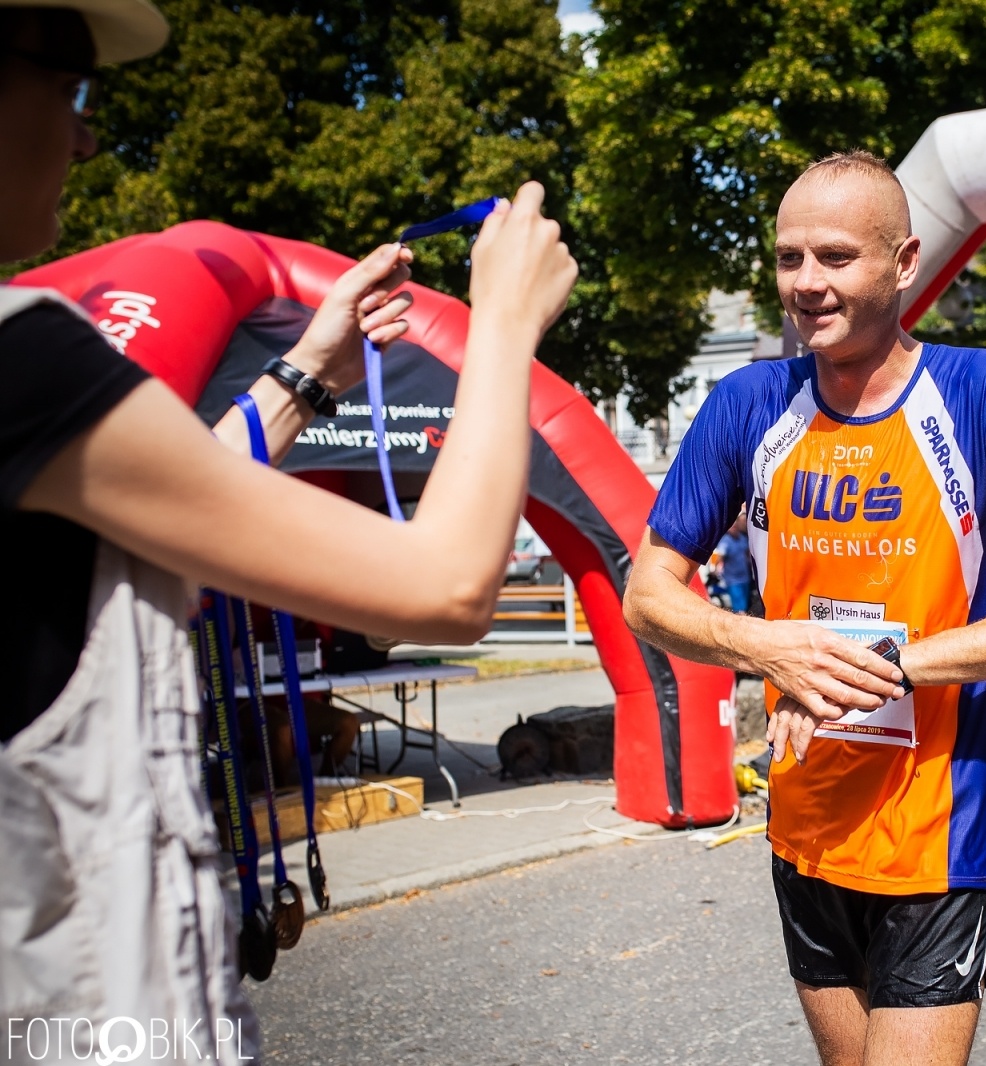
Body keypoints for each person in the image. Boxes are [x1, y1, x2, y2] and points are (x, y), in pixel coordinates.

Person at [0, 3, 578, 1056]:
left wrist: (310, 368)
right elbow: (446, 584)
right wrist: (503, 324)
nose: (85, 136)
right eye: (72, 85)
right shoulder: (25, 357)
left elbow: (169, 497)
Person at [622, 150, 986, 1066]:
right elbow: (647, 593)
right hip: (805, 824)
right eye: (789, 258)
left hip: (937, 833)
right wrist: (767, 647)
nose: (806, 282)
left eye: (836, 257)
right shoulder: (748, 405)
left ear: (904, 264)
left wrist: (892, 667)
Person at [711, 512, 753, 613]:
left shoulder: (742, 538)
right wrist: (714, 569)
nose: (733, 528)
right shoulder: (726, 541)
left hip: (745, 577)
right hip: (733, 579)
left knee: (745, 605)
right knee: (739, 609)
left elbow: (747, 553)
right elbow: (720, 556)